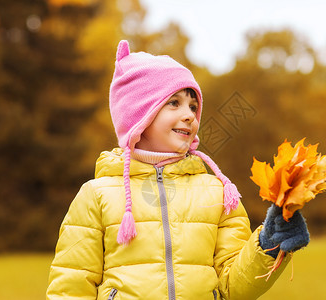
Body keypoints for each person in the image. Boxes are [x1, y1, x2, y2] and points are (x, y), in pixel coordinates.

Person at [46, 40, 310, 300]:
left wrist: (268, 245)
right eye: (174, 103)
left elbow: (233, 288)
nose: (190, 116)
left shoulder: (216, 192)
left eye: (193, 106)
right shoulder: (97, 195)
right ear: (140, 114)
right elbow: (70, 287)